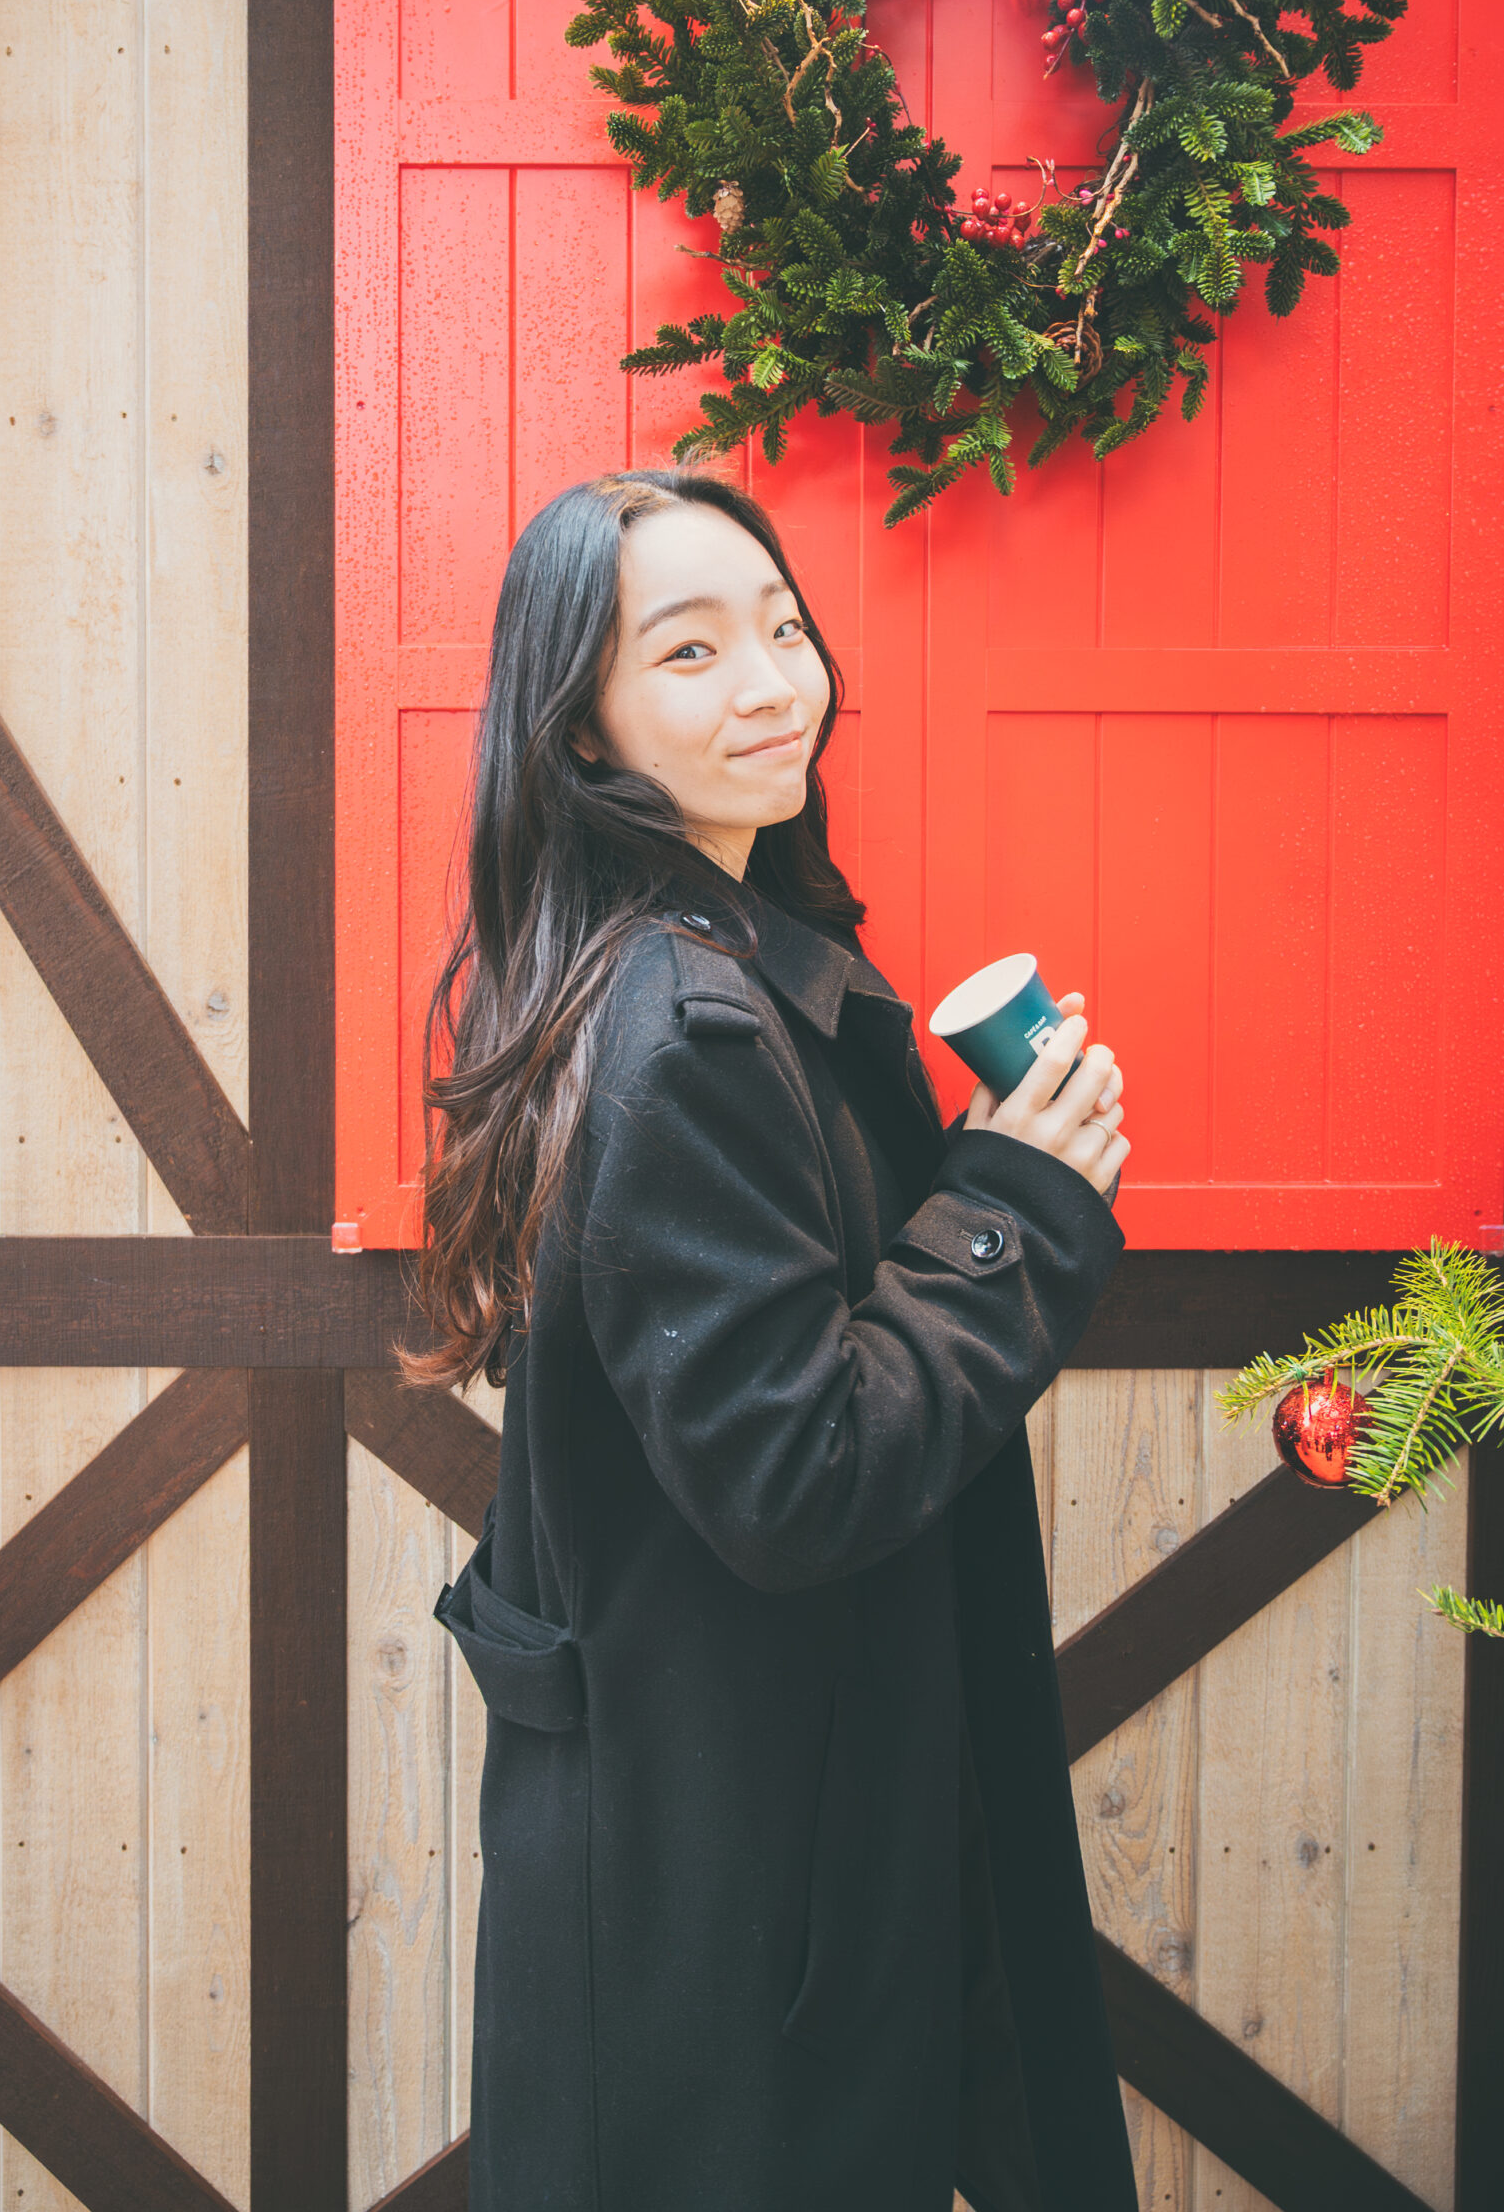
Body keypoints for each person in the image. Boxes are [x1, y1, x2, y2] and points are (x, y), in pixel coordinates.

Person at [401, 467, 1138, 2212]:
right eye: (689, 651)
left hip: (733, 1825)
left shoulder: (689, 965)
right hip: (735, 1873)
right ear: (579, 725)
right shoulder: (685, 1027)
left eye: (783, 628)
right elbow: (794, 1474)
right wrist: (1012, 1207)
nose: (769, 683)